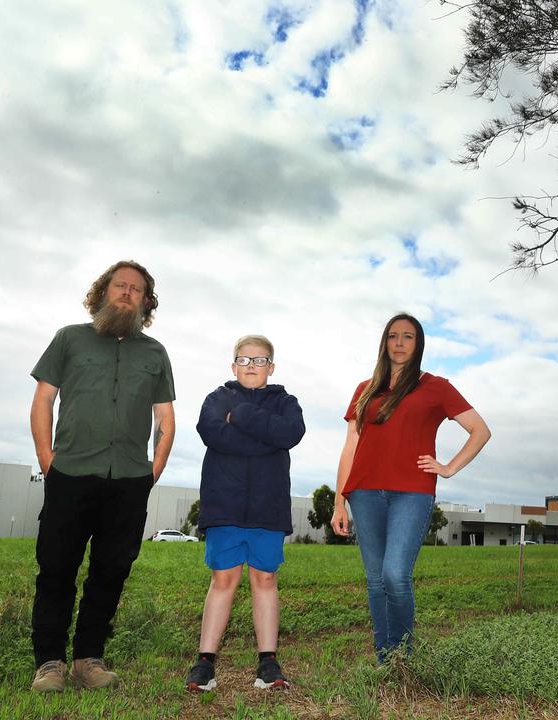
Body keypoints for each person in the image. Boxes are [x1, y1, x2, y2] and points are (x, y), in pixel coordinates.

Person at [28, 260, 176, 692]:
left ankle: (88, 660)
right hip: (70, 472)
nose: (127, 292)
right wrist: (46, 459)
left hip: (130, 479)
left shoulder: (155, 353)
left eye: (136, 289)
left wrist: (154, 469)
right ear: (102, 292)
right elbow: (43, 401)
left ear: (146, 301)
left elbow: (165, 416)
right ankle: (49, 663)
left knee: (111, 569)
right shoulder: (68, 339)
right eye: (120, 285)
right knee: (56, 567)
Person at [331, 313, 491, 662]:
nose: (400, 343)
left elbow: (480, 430)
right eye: (393, 336)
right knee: (375, 580)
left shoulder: (435, 386)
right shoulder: (365, 389)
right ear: (384, 342)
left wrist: (448, 468)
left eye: (408, 337)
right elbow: (350, 447)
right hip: (364, 492)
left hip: (412, 492)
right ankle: (384, 659)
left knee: (395, 575)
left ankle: (403, 657)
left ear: (418, 344)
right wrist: (338, 503)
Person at [184, 335, 305, 693]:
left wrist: (243, 416)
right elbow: (212, 432)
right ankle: (205, 662)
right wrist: (266, 439)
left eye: (260, 359)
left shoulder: (286, 402)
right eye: (245, 359)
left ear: (272, 366)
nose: (252, 366)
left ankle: (268, 662)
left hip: (268, 507)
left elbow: (292, 432)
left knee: (265, 580)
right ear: (233, 365)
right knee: (223, 579)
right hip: (225, 505)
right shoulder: (216, 399)